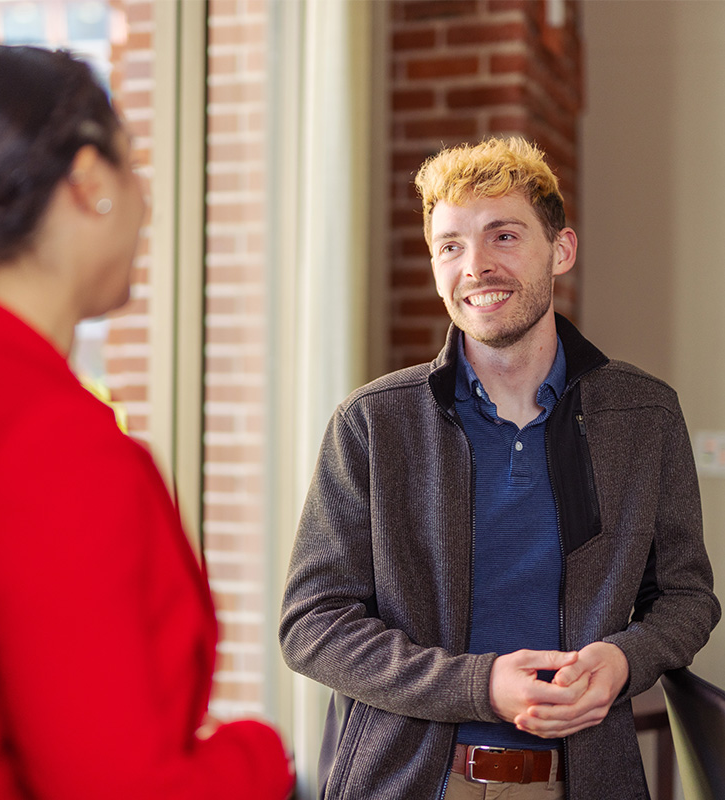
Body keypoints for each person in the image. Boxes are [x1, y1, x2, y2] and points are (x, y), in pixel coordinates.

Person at [279, 136, 720, 800]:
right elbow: (310, 624)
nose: (475, 266)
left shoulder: (644, 414)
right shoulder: (372, 422)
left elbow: (685, 599)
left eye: (503, 236)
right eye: (449, 246)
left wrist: (624, 659)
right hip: (410, 785)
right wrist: (478, 685)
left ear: (560, 250)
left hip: (583, 783)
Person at [0, 43, 293, 800]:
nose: (145, 202)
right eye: (133, 169)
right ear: (90, 180)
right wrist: (260, 759)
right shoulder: (52, 446)